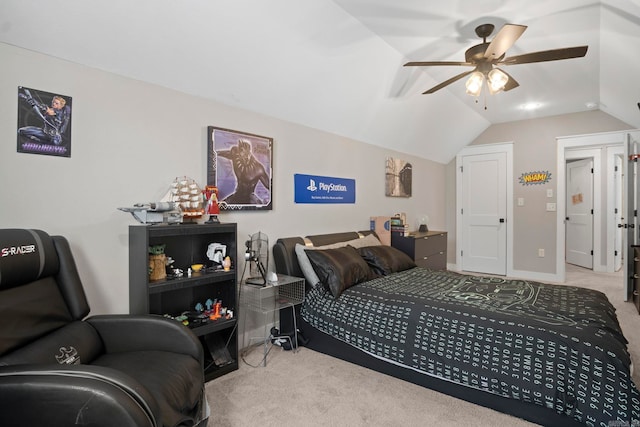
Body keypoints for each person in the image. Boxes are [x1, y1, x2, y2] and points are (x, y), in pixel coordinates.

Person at [217, 138, 270, 205]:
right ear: (239, 153)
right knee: (219, 206)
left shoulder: (258, 168)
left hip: (250, 198)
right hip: (237, 195)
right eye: (243, 155)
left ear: (250, 153)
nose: (246, 157)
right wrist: (215, 153)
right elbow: (226, 153)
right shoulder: (235, 155)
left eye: (248, 155)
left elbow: (270, 186)